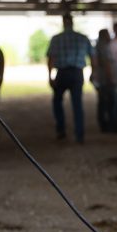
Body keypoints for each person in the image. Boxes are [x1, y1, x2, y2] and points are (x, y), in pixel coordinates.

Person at [46, 13, 93, 144]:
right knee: (77, 104)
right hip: (77, 73)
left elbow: (50, 58)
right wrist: (93, 72)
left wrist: (50, 76)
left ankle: (61, 130)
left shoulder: (56, 39)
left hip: (62, 73)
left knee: (57, 101)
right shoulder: (82, 38)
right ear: (72, 22)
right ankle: (79, 134)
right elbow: (92, 56)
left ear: (64, 22)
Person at [92, 29, 117, 133]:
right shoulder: (103, 46)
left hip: (103, 79)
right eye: (108, 34)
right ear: (104, 35)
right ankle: (110, 125)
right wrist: (110, 77)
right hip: (106, 79)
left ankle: (105, 124)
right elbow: (106, 63)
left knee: (104, 102)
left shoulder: (100, 46)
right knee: (110, 102)